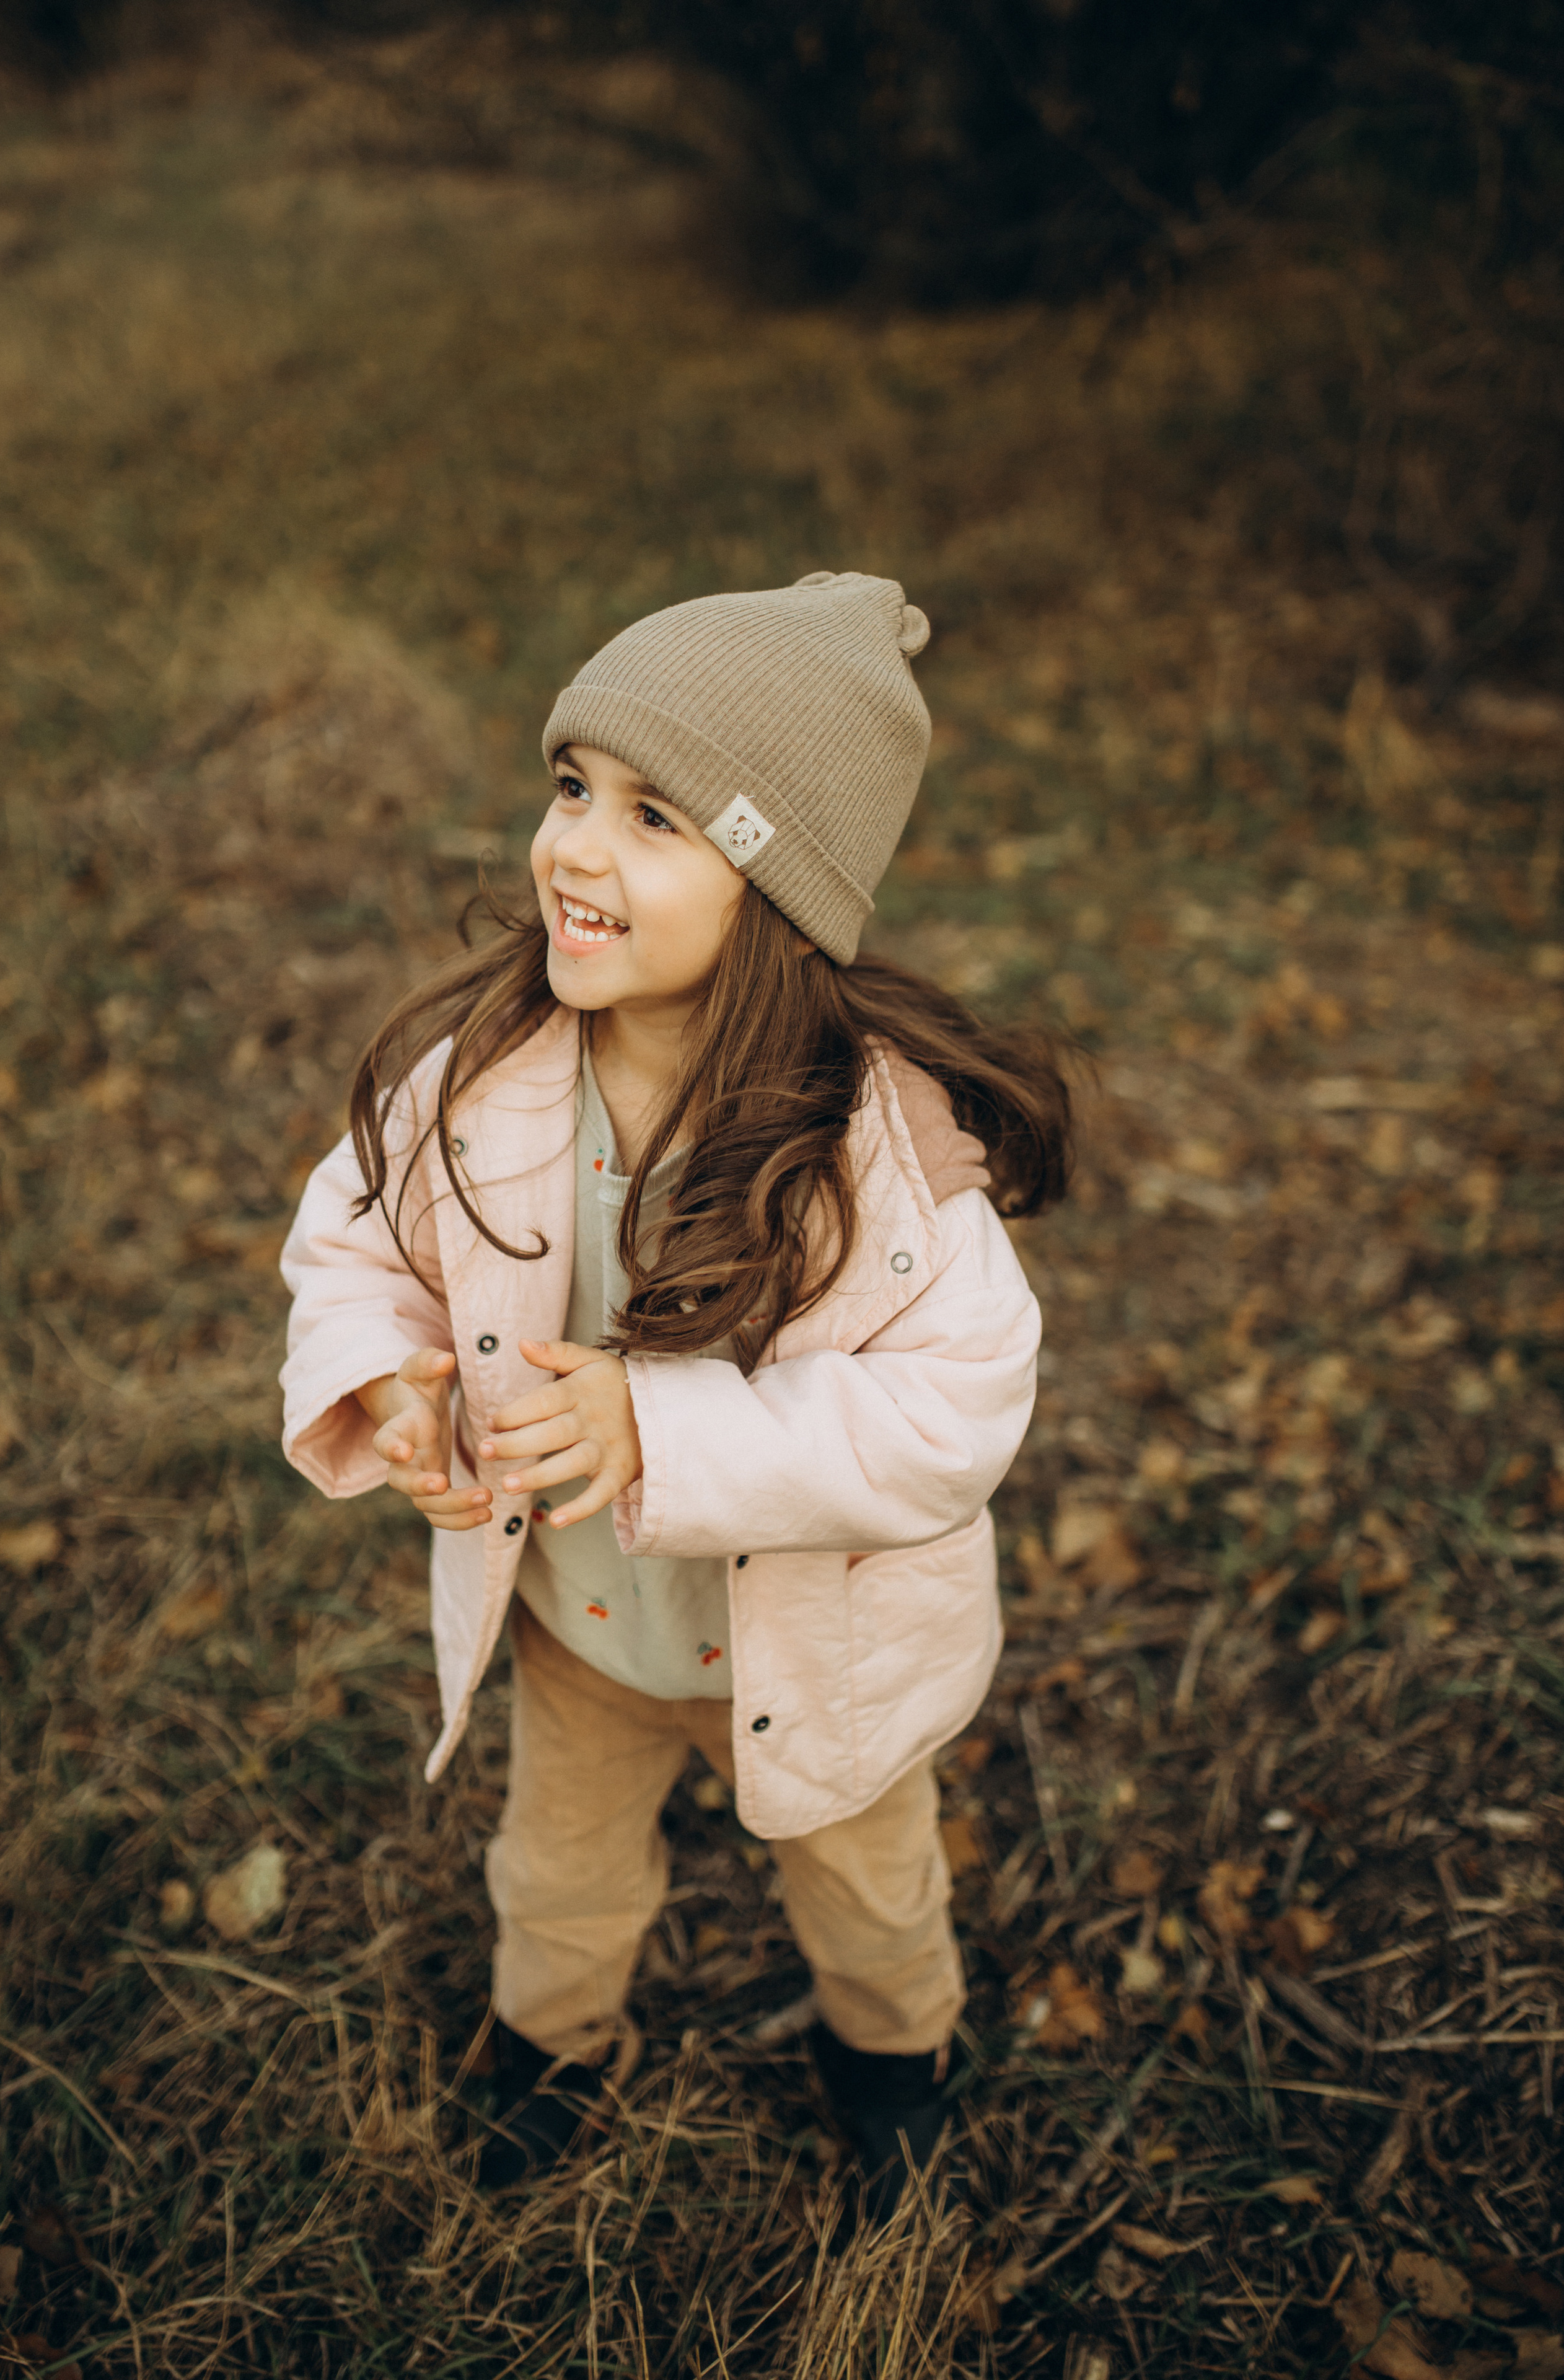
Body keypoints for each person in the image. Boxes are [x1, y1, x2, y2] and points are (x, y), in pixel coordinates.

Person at [279, 570, 1072, 2222]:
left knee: (869, 1883)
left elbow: (960, 1408)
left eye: (654, 819)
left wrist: (667, 1424)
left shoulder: (879, 1155)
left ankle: (895, 2054)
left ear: (776, 886)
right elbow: (354, 1241)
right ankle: (553, 2043)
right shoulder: (481, 1075)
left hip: (819, 1639)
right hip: (585, 1620)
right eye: (572, 787)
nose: (574, 845)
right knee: (557, 1876)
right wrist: (392, 1383)